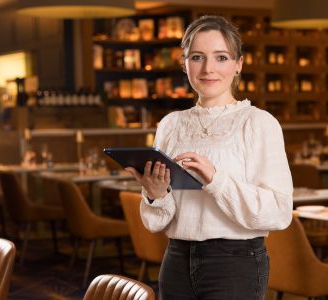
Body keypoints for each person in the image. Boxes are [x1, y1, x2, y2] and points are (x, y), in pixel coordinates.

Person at [124, 16, 293, 300]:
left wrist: (216, 180)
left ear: (238, 64)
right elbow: (157, 222)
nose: (208, 69)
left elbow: (279, 211)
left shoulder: (259, 123)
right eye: (197, 57)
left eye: (221, 57)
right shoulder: (170, 124)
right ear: (184, 63)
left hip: (234, 263)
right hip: (176, 258)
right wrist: (156, 195)